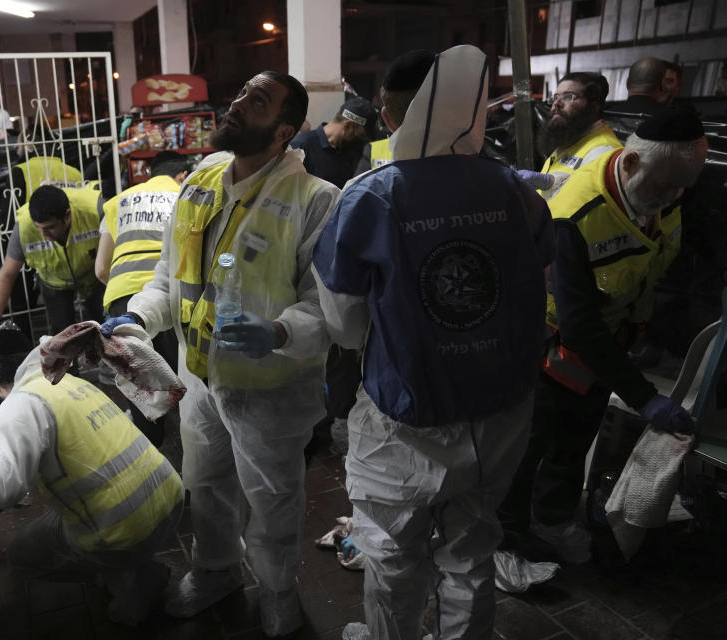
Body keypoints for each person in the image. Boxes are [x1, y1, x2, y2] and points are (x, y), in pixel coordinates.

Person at [313, 45, 554, 640]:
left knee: (392, 555)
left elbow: (344, 328)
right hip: (503, 411)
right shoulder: (517, 190)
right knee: (471, 551)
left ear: (394, 111)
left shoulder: (370, 196)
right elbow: (535, 288)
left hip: (406, 423)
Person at [103, 71, 339, 637]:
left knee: (274, 497)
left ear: (284, 130)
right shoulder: (201, 181)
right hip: (199, 375)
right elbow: (169, 276)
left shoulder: (315, 200)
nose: (235, 105)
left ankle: (280, 592)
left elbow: (327, 305)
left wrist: (279, 332)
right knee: (205, 484)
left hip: (270, 386)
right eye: (240, 94)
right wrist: (139, 316)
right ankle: (216, 572)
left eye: (254, 101)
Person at [499, 109, 708, 564]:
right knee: (529, 445)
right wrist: (643, 395)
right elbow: (579, 326)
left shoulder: (666, 188)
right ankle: (507, 539)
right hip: (548, 344)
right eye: (662, 187)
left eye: (680, 190)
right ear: (629, 164)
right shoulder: (575, 215)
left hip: (608, 343)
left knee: (574, 441)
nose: (670, 199)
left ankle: (551, 521)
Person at [0, 328, 183, 625]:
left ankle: (130, 581)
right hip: (170, 500)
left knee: (21, 552)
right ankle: (131, 565)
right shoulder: (66, 381)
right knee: (67, 518)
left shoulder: (17, 407)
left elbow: (4, 490)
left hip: (122, 531)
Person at [94, 150, 189, 445]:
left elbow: (100, 269)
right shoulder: (186, 195)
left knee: (139, 381)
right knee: (182, 374)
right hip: (171, 295)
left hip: (123, 298)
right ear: (182, 176)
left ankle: (152, 451)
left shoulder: (118, 201)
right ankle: (192, 449)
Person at [0, 184, 103, 344]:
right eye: (38, 228)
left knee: (106, 328)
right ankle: (69, 369)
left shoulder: (95, 211)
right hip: (54, 283)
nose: (44, 234)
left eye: (50, 227)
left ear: (67, 216)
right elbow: (7, 274)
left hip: (94, 278)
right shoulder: (24, 228)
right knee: (62, 341)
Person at [516, 72, 622, 199]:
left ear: (594, 107)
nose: (556, 104)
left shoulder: (604, 152)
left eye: (569, 97)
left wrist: (550, 182)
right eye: (555, 97)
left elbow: (583, 199)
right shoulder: (570, 140)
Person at [289, 96, 376, 188]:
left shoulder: (352, 152)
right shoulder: (302, 146)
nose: (362, 141)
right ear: (348, 125)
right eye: (361, 135)